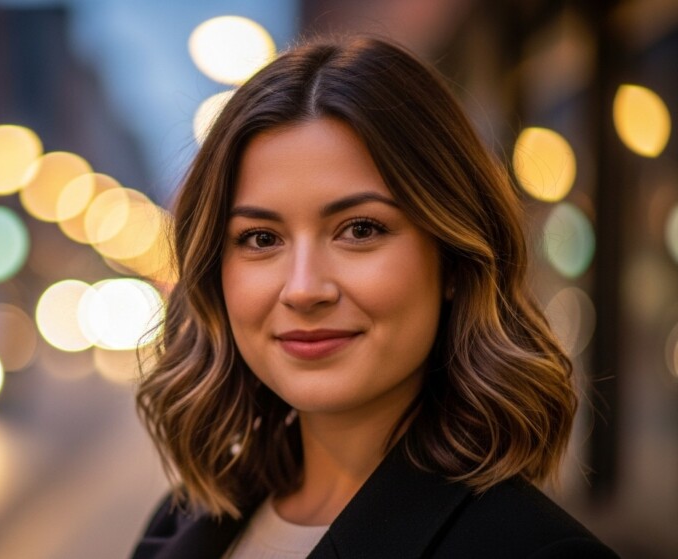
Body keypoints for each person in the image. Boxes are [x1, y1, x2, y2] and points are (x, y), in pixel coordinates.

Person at [131, 35, 618, 559]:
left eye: (360, 229)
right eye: (261, 238)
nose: (303, 289)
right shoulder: (179, 523)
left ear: (454, 258)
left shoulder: (539, 552)